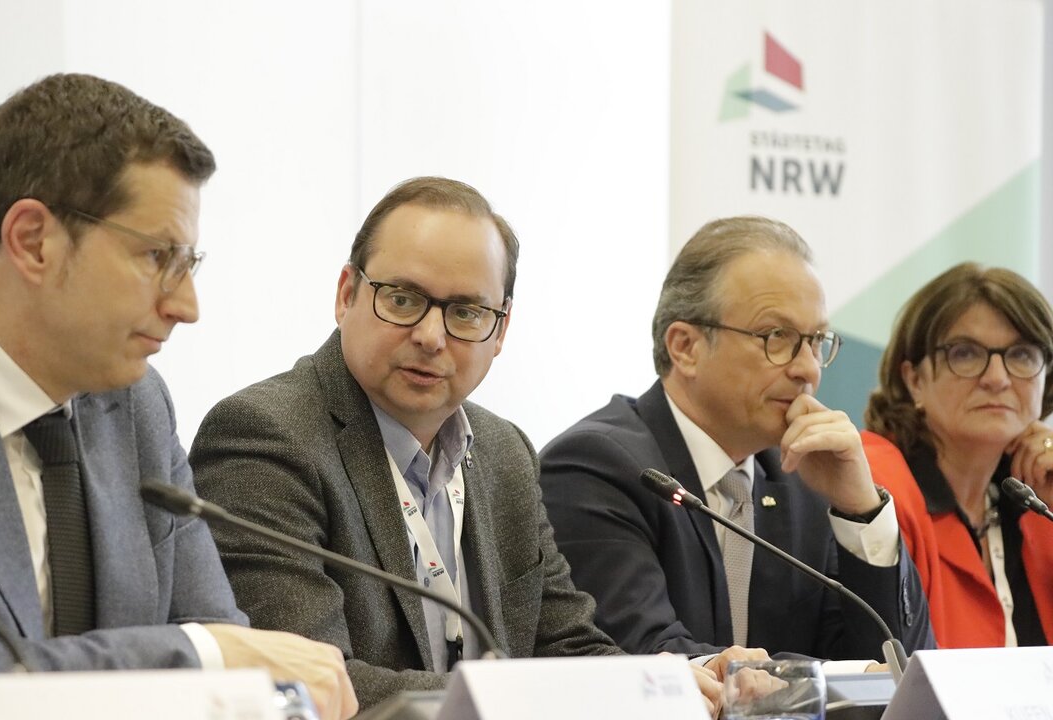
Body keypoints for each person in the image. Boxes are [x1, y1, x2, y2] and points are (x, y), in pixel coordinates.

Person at [0, 74, 356, 720]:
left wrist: (218, 659)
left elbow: (225, 659)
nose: (186, 305)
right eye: (158, 256)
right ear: (33, 241)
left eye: (189, 264)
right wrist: (197, 655)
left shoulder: (138, 404)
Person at [189, 177, 724, 715]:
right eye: (402, 299)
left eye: (466, 311)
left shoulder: (503, 452)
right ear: (346, 294)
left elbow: (566, 645)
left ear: (501, 329)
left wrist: (675, 680)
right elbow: (311, 684)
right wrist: (524, 699)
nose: (431, 335)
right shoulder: (266, 436)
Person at [538, 216, 934, 669]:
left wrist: (860, 511)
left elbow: (901, 669)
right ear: (685, 347)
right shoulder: (597, 468)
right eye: (777, 337)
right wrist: (822, 678)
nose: (808, 369)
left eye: (816, 341)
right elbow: (646, 658)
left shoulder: (803, 479)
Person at [862, 262, 1053, 647]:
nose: (997, 378)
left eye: (1022, 354)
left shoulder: (1034, 500)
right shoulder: (876, 485)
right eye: (965, 354)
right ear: (914, 379)